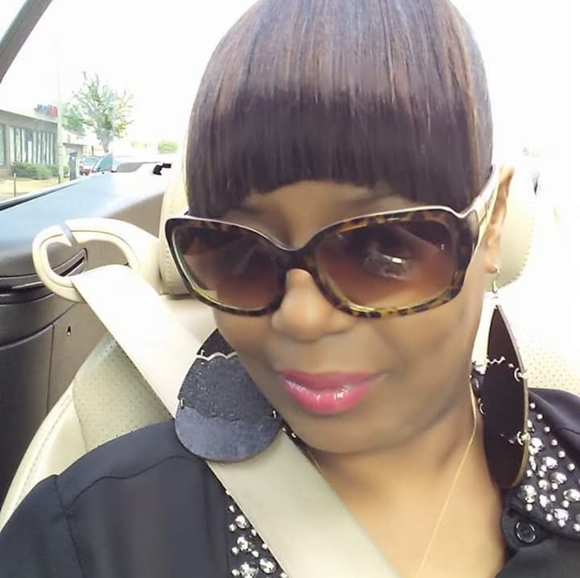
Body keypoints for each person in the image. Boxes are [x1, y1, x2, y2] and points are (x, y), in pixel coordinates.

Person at [1, 0, 579, 577]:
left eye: (382, 249)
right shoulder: (90, 540)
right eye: (240, 254)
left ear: (491, 223)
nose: (301, 318)